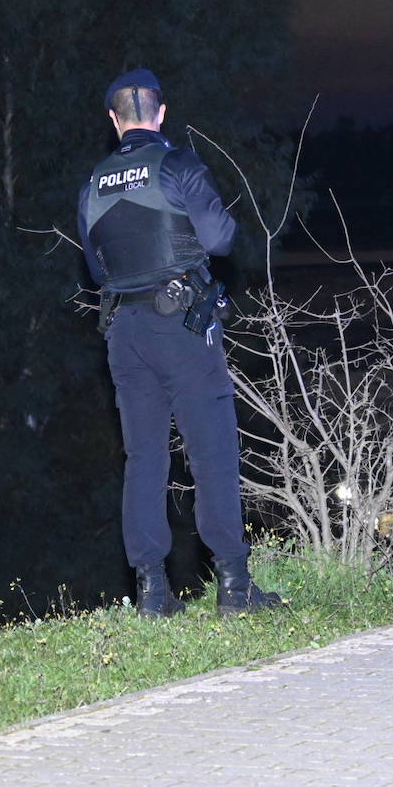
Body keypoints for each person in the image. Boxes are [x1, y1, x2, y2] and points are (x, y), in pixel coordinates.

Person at [77, 69, 281, 618]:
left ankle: (152, 595)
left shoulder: (92, 183)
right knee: (211, 450)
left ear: (115, 120)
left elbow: (97, 268)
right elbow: (219, 238)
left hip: (124, 334)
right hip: (182, 327)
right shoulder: (178, 164)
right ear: (161, 113)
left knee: (144, 456)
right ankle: (235, 590)